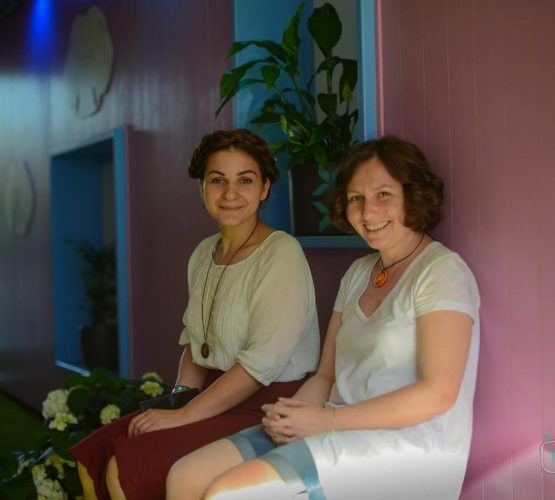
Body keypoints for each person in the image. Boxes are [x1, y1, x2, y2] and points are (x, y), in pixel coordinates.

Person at [165, 135, 480, 500]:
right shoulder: (358, 274)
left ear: (414, 196)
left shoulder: (441, 271)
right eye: (356, 198)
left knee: (228, 493)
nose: (368, 212)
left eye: (383, 195)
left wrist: (327, 420)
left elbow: (438, 394)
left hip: (404, 450)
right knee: (185, 477)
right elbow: (326, 375)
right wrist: (291, 414)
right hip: (332, 424)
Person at [69, 129, 320, 500]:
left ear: (265, 188)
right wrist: (177, 400)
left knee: (123, 469)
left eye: (245, 180)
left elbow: (260, 366)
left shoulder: (281, 252)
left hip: (264, 403)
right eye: (217, 180)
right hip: (211, 395)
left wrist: (184, 417)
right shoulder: (204, 253)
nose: (230, 193)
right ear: (202, 188)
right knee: (92, 456)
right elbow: (195, 343)